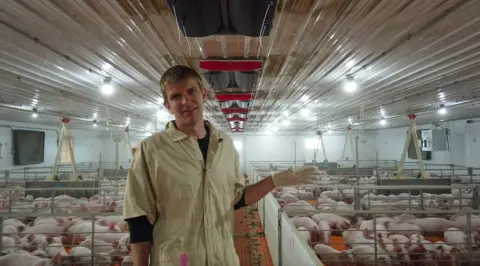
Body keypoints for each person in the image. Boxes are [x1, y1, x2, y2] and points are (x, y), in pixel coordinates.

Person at [123, 65, 322, 266]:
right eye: (175, 96)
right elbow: (138, 220)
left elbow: (236, 198)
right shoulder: (151, 151)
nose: (185, 101)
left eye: (191, 91)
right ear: (167, 105)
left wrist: (275, 180)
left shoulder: (225, 145)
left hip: (223, 259)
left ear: (203, 94)